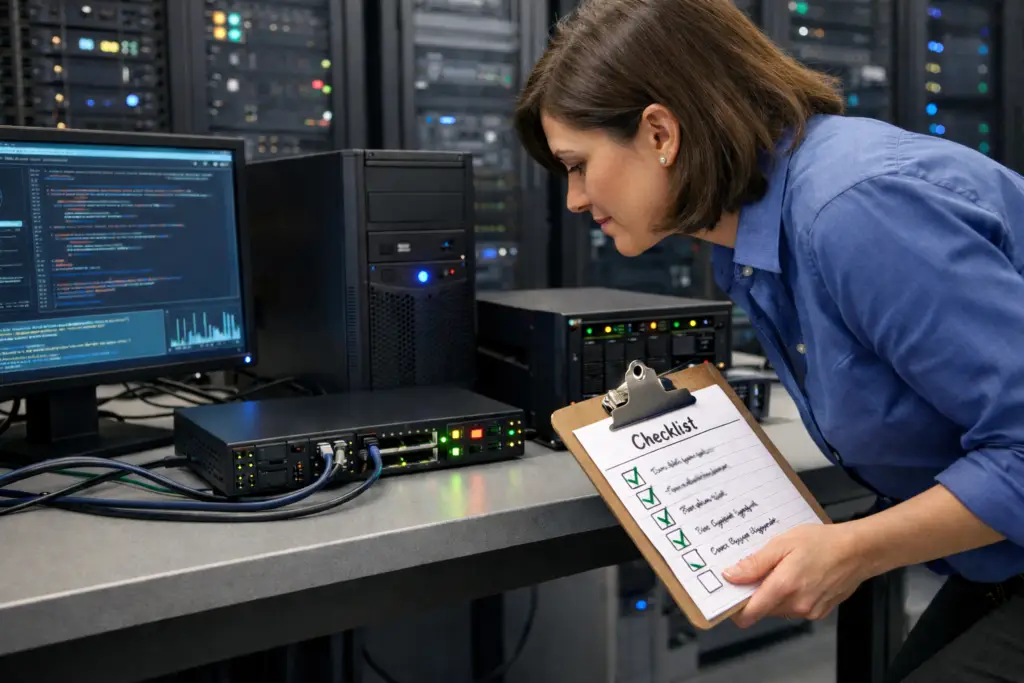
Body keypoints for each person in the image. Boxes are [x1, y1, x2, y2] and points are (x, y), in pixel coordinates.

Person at [513, 0, 1024, 681]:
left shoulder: (851, 213)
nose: (574, 199)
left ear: (661, 133)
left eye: (578, 165)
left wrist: (853, 549)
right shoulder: (751, 239)